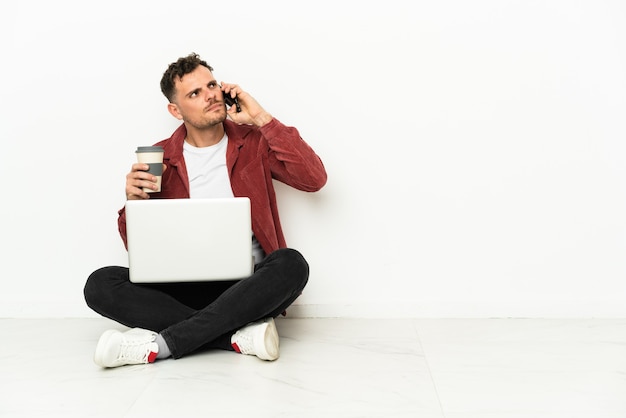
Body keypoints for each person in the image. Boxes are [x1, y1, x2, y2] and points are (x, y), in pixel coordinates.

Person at [83, 53, 327, 368]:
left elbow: (314, 179)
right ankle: (235, 337)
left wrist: (262, 118)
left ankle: (161, 345)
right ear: (175, 110)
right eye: (194, 93)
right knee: (99, 283)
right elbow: (138, 249)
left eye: (211, 84)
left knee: (292, 264)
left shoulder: (254, 142)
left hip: (246, 287)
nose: (210, 94)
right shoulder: (161, 159)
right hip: (180, 289)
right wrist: (134, 203)